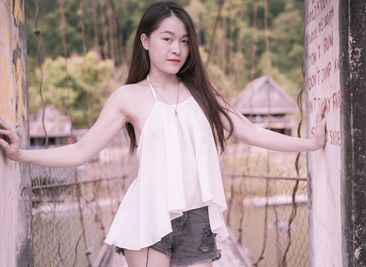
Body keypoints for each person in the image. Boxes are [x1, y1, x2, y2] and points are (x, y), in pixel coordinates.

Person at [0, 2, 327, 267]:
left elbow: (249, 130)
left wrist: (311, 143)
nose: (177, 48)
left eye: (184, 41)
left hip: (197, 216)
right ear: (145, 41)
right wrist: (20, 154)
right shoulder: (127, 97)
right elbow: (80, 151)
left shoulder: (203, 92)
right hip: (148, 215)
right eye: (167, 38)